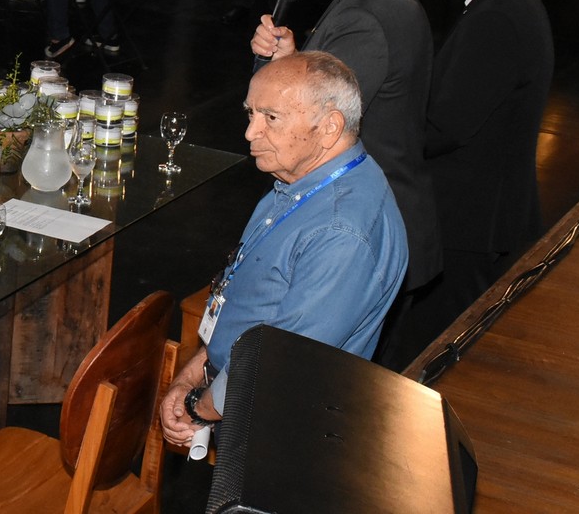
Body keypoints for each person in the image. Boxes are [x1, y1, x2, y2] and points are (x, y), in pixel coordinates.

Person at [159, 52, 408, 445]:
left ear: (329, 127)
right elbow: (255, 304)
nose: (249, 133)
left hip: (279, 429)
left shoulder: (341, 233)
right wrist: (196, 371)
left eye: (270, 118)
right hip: (240, 397)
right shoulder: (301, 183)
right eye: (250, 114)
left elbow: (278, 362)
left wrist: (196, 408)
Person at [377, 0, 556, 366]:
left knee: (426, 363)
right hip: (477, 218)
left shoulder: (498, 16)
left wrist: (360, 127)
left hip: (470, 227)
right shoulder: (503, 2)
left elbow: (444, 127)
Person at [250, 0, 439, 293]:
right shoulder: (381, 1)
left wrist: (275, 82)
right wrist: (291, 61)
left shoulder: (364, 16)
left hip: (362, 235)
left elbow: (311, 132)